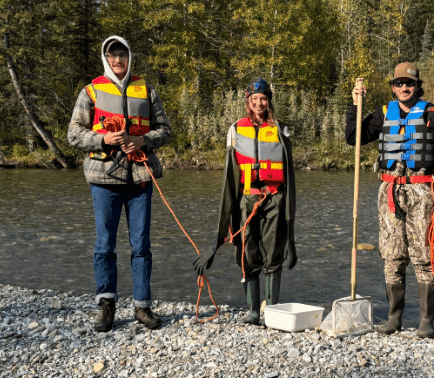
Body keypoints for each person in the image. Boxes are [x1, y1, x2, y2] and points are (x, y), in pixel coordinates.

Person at [68, 36, 171, 332]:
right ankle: (106, 306)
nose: (118, 61)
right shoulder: (90, 91)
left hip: (139, 177)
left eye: (122, 55)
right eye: (112, 56)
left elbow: (165, 130)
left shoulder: (147, 90)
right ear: (105, 58)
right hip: (103, 179)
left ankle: (142, 306)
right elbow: (74, 134)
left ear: (129, 58)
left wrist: (143, 139)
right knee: (105, 245)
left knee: (141, 245)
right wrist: (102, 139)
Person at [345, 62, 434, 338]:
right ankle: (394, 319)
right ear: (393, 87)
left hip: (423, 192)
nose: (404, 88)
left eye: (409, 84)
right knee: (392, 255)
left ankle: (426, 323)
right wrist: (355, 105)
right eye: (399, 84)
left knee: (424, 256)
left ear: (418, 86)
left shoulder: (433, 115)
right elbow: (352, 137)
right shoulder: (384, 113)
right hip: (389, 191)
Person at [193, 78, 297, 325]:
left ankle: (271, 313)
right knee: (247, 253)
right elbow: (230, 178)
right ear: (248, 102)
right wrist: (220, 236)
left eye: (263, 98)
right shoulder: (235, 130)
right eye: (254, 99)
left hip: (275, 197)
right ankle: (252, 312)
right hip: (247, 200)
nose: (259, 103)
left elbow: (290, 175)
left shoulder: (282, 130)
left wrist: (291, 230)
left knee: (273, 256)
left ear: (269, 101)